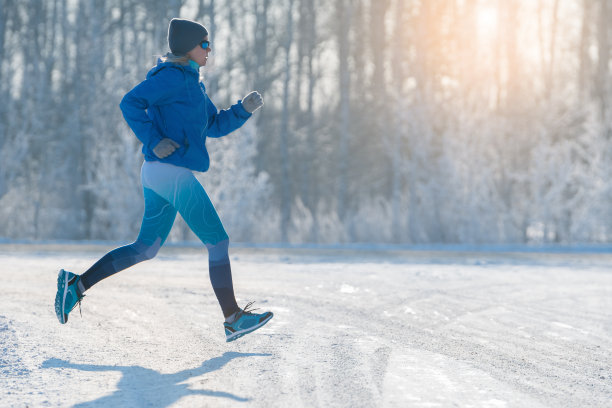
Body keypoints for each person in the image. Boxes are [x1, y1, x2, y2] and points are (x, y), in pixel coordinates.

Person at [54, 18, 273, 343]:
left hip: (160, 172)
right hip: (170, 172)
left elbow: (213, 125)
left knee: (146, 248)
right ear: (189, 47)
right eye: (205, 44)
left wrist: (243, 109)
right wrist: (153, 139)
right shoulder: (171, 77)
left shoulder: (191, 83)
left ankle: (77, 286)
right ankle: (232, 318)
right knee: (218, 241)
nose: (209, 50)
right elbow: (129, 103)